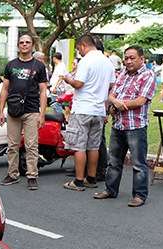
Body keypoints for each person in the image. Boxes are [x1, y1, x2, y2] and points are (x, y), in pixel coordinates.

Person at [94, 46, 156, 207]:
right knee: (113, 161)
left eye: (132, 58)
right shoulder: (122, 74)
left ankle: (139, 195)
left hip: (136, 126)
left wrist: (119, 105)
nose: (128, 61)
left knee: (138, 164)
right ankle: (110, 190)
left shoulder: (148, 75)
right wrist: (115, 103)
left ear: (142, 59)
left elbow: (141, 100)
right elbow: (111, 94)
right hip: (118, 125)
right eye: (126, 58)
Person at [59, 34, 115, 191]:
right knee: (94, 146)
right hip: (99, 110)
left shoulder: (86, 61)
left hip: (83, 109)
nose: (79, 52)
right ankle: (91, 178)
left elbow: (78, 83)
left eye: (79, 49)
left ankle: (78, 181)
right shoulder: (107, 62)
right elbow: (111, 85)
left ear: (83, 46)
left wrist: (68, 79)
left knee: (79, 146)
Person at [0, 34, 49, 190]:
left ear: (32, 45)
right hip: (13, 111)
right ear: (18, 45)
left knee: (31, 145)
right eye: (21, 42)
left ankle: (32, 175)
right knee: (12, 145)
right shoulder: (11, 65)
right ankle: (12, 174)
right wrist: (1, 111)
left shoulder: (39, 67)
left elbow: (43, 91)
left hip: (31, 111)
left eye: (27, 42)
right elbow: (5, 89)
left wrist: (42, 114)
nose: (24, 45)